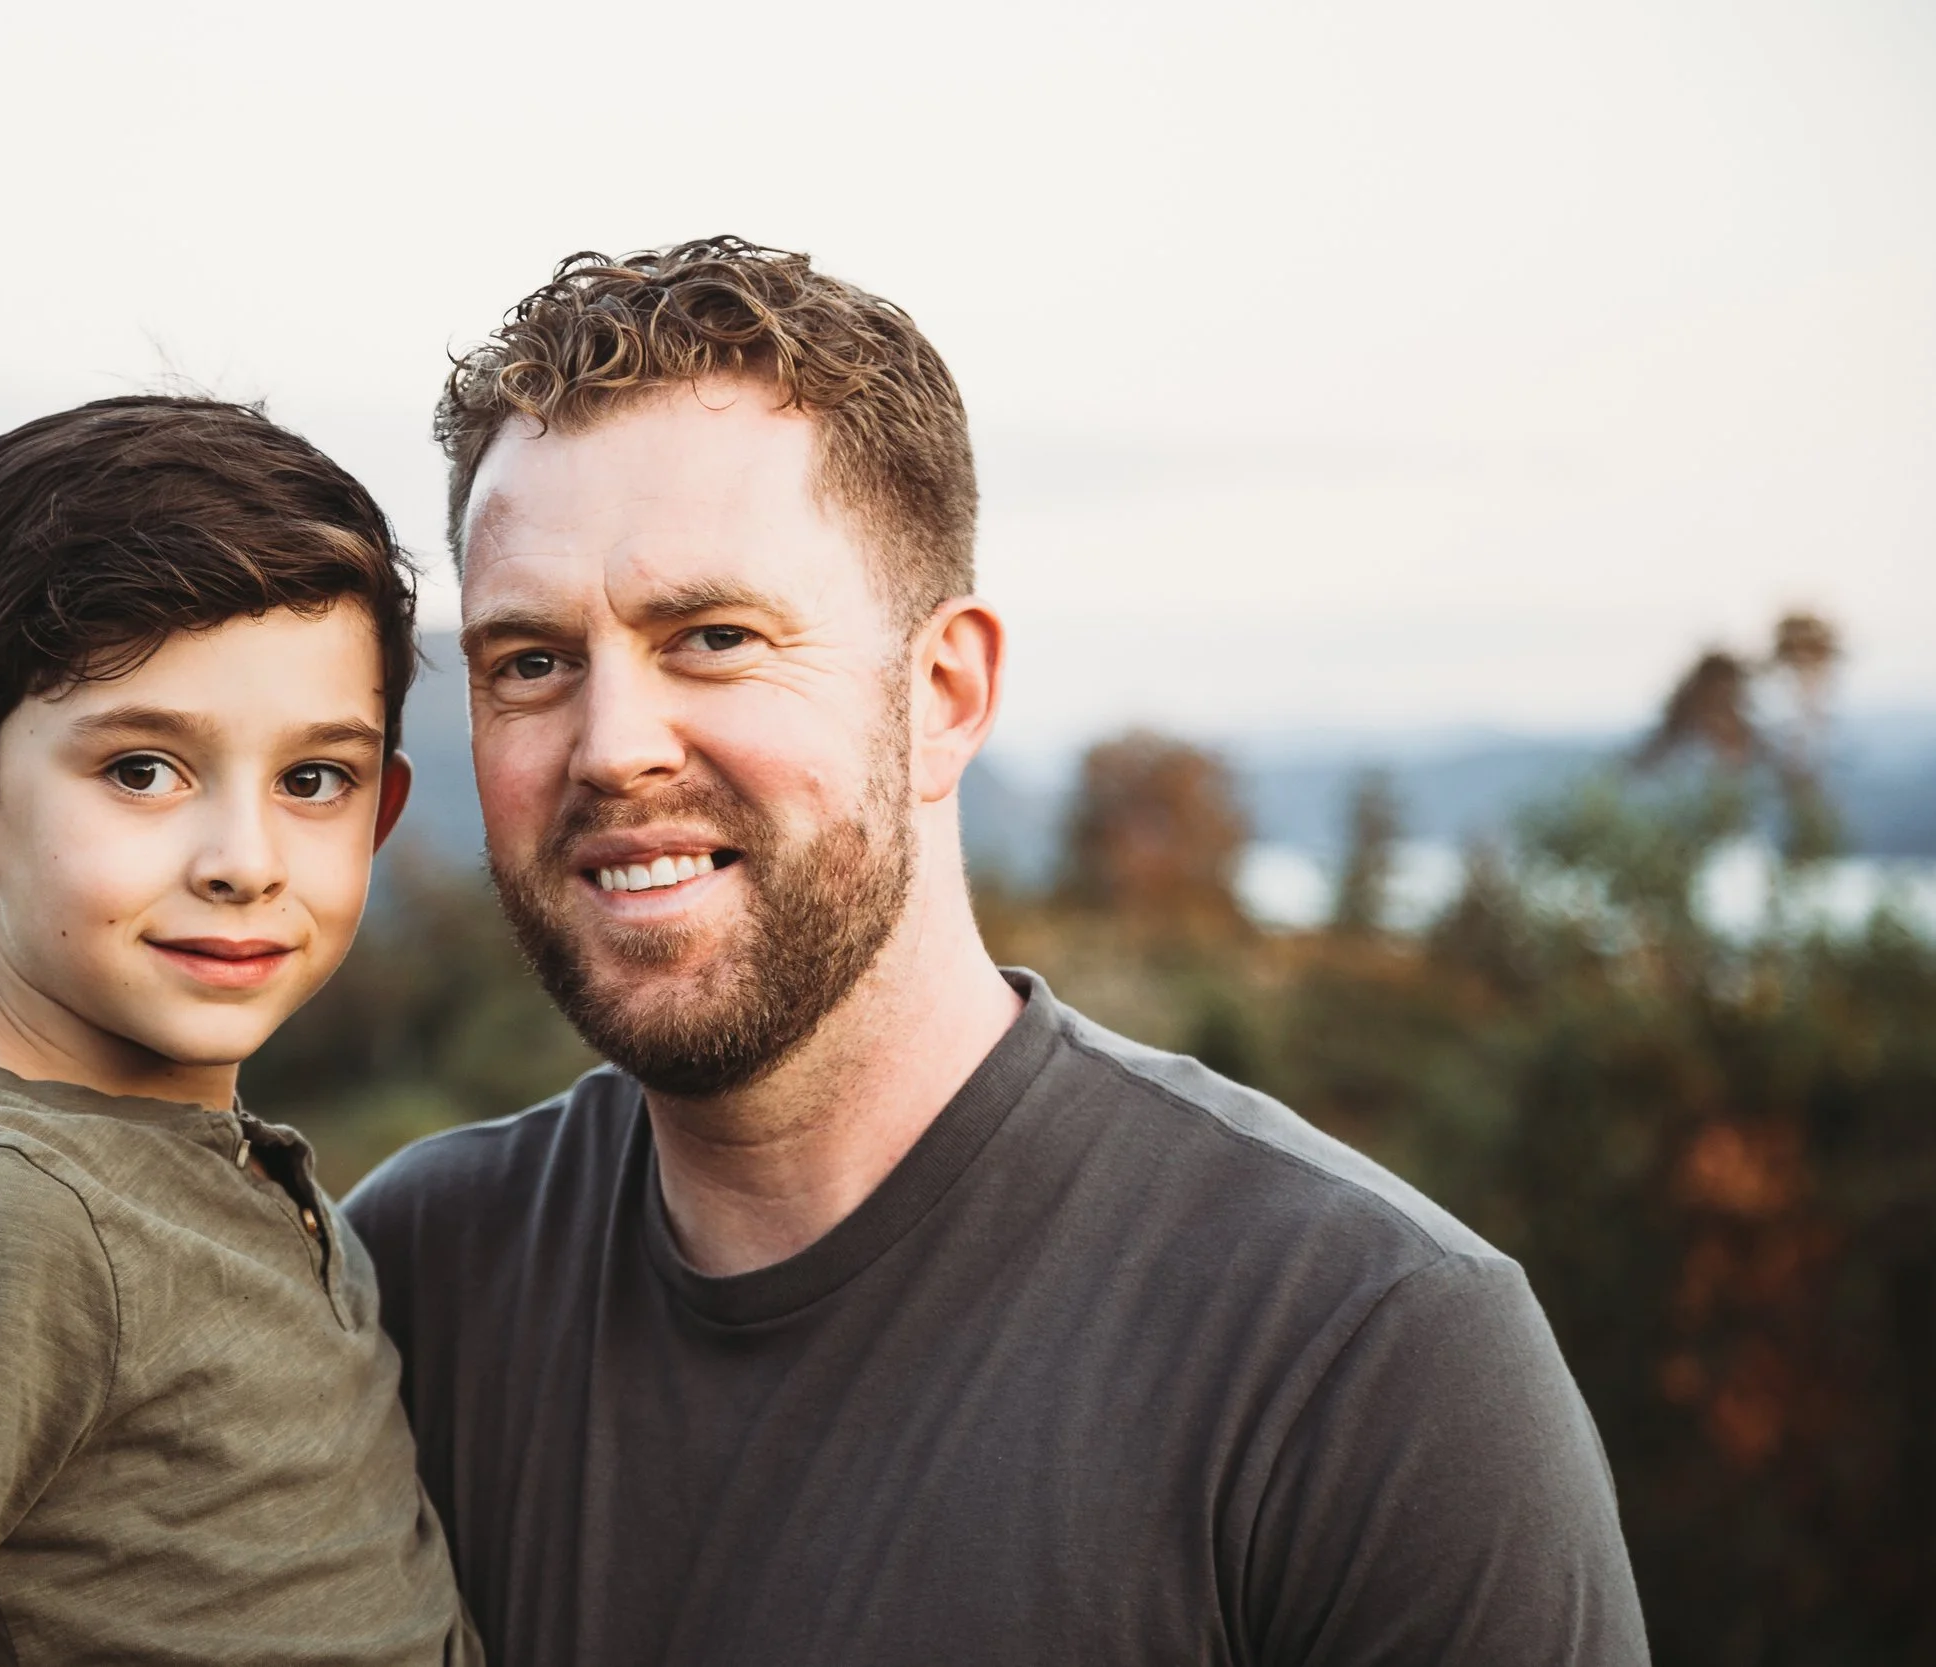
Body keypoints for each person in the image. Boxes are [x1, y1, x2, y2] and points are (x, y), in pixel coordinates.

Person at [346, 239, 1650, 1665]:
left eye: (713, 636)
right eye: (530, 661)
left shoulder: (1368, 1363)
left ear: (947, 693)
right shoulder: (414, 1281)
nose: (612, 748)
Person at [0, 398, 477, 1667]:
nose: (243, 860)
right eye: (142, 770)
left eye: (311, 778)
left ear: (379, 808)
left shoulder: (207, 1164)